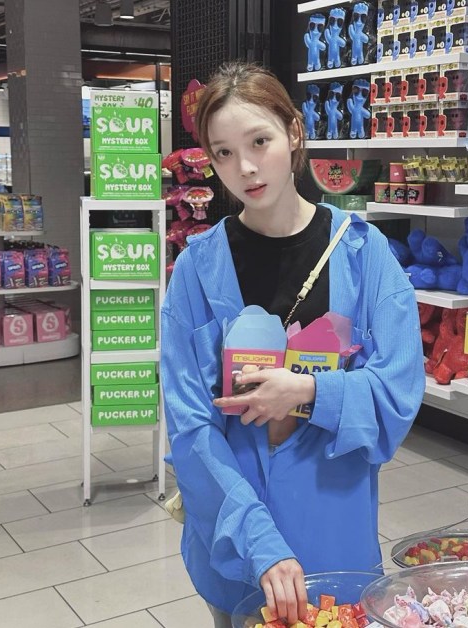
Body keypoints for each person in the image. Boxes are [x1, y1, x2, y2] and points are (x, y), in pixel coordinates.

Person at [159, 61, 423, 627]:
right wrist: (257, 541)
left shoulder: (363, 254)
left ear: (295, 132)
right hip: (234, 542)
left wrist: (307, 392)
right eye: (223, 153)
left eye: (260, 141)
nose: (246, 168)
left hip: (335, 531)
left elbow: (398, 390)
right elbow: (189, 424)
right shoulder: (197, 271)